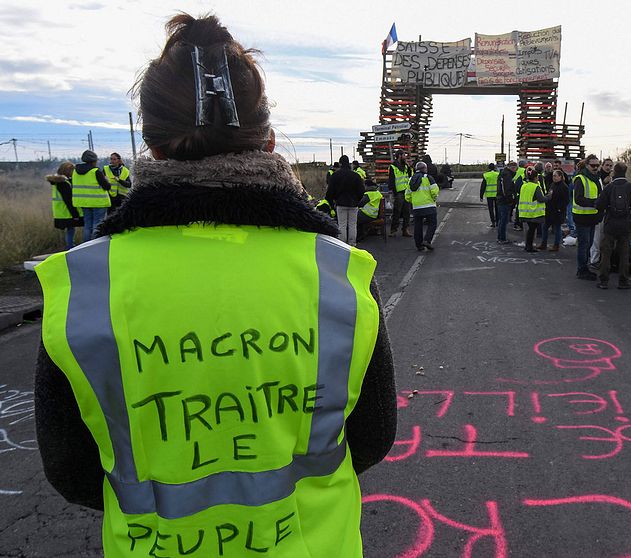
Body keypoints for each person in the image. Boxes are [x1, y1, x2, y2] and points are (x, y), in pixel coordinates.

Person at [33, 14, 396, 557]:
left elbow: (71, 470)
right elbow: (371, 438)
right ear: (269, 140)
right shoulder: (338, 276)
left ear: (150, 144)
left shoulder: (86, 284)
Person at [594, 162, 631, 289]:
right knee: (624, 253)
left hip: (610, 223)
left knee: (606, 252)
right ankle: (623, 280)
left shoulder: (609, 187)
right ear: (625, 172)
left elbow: (599, 205)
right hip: (625, 224)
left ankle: (604, 280)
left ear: (614, 172)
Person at [572, 154, 603, 280]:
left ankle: (585, 267)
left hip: (592, 217)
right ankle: (582, 269)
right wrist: (594, 202)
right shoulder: (581, 178)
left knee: (589, 244)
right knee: (584, 244)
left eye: (597, 165)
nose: (595, 168)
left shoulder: (596, 178)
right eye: (593, 165)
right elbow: (578, 199)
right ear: (587, 165)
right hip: (582, 217)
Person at [71, 149, 112, 242]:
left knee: (87, 225)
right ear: (94, 161)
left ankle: (85, 245)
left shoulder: (75, 171)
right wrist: (107, 180)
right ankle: (95, 245)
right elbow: (107, 186)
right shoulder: (95, 171)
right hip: (98, 202)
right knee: (97, 225)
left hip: (83, 203)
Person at [325, 154, 365, 246]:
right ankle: (352, 243)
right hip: (353, 204)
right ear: (349, 163)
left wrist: (333, 200)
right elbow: (361, 190)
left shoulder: (335, 175)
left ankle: (343, 244)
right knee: (352, 224)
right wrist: (357, 200)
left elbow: (330, 191)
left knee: (342, 225)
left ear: (340, 163)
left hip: (340, 203)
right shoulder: (356, 176)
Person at [45, 161, 83, 249]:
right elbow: (68, 200)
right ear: (68, 171)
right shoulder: (63, 184)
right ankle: (70, 247)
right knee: (70, 230)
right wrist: (75, 214)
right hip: (66, 212)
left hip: (60, 211)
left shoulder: (58, 182)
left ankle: (70, 246)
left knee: (70, 230)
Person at [407, 161, 440, 251]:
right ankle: (427, 240)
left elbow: (407, 195)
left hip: (417, 207)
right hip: (429, 206)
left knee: (418, 226)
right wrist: (434, 199)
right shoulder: (428, 178)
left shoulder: (411, 179)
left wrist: (413, 202)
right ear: (424, 169)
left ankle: (419, 245)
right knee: (432, 224)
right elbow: (434, 191)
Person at [518, 166, 548, 252]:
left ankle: (528, 246)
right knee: (531, 231)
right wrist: (549, 197)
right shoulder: (535, 187)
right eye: (537, 177)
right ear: (535, 178)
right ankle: (529, 247)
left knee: (530, 230)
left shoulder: (524, 186)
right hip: (533, 213)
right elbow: (541, 199)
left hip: (524, 212)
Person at [541, 169, 569, 252]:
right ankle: (543, 244)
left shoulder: (564, 187)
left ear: (560, 177)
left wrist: (560, 209)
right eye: (553, 176)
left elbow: (566, 200)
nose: (554, 177)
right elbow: (550, 194)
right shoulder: (552, 184)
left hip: (558, 211)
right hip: (550, 210)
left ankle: (556, 245)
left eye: (556, 176)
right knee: (545, 227)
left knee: (557, 228)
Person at [495, 161, 520, 245]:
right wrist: (511, 200)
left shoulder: (503, 174)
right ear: (512, 167)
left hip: (500, 199)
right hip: (504, 200)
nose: (516, 170)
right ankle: (502, 238)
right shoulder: (507, 176)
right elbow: (507, 190)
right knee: (504, 220)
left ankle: (501, 237)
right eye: (516, 168)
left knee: (502, 220)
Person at [389, 152, 413, 237]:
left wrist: (409, 166)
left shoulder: (406, 166)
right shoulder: (393, 167)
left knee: (407, 212)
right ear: (399, 156)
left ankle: (405, 230)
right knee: (397, 212)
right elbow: (391, 180)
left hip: (406, 192)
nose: (405, 157)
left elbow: (410, 175)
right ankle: (393, 230)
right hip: (398, 193)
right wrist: (394, 192)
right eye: (403, 155)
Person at [480, 163, 500, 227]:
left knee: (491, 209)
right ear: (494, 168)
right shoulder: (498, 174)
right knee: (497, 209)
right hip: (497, 194)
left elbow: (483, 186)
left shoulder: (486, 175)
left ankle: (493, 222)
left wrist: (481, 196)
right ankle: (497, 221)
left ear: (488, 168)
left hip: (489, 195)